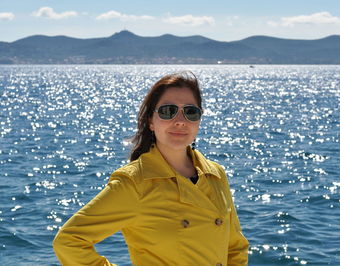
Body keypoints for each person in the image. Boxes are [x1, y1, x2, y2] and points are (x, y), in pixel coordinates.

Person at [53, 71, 249, 265]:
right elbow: (69, 241)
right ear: (151, 121)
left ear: (199, 120)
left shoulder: (215, 174)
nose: (180, 120)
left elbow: (235, 247)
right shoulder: (135, 182)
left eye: (190, 112)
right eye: (167, 111)